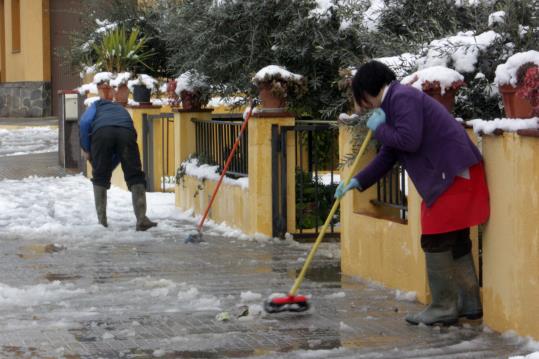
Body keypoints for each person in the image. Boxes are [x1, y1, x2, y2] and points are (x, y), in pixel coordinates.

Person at [334, 60, 489, 326]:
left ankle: (443, 307)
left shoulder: (401, 97)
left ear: (368, 90)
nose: (363, 105)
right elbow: (388, 155)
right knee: (455, 238)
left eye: (361, 97)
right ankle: (469, 303)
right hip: (455, 171)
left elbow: (409, 139)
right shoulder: (395, 102)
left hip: (453, 173)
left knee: (435, 238)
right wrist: (357, 181)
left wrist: (380, 128)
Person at [79, 81, 157, 231]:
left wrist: (87, 149)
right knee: (135, 175)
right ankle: (141, 219)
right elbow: (132, 132)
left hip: (102, 133)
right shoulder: (121, 108)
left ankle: (102, 222)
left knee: (100, 176)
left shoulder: (96, 106)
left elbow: (84, 123)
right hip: (126, 133)